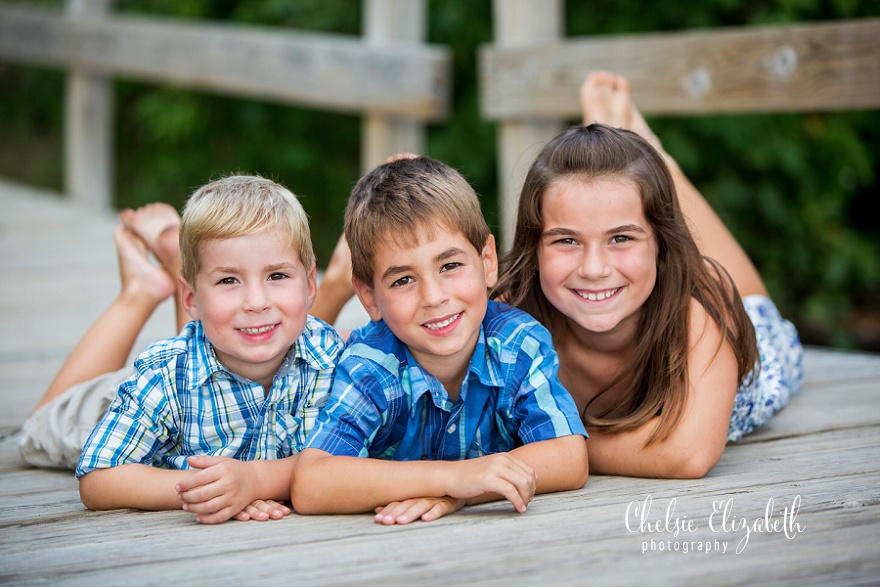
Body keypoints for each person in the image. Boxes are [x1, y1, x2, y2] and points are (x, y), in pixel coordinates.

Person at [491, 71, 804, 478]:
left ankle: (656, 156)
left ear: (662, 245)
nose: (594, 268)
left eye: (620, 238)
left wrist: (563, 447)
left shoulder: (700, 311)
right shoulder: (509, 313)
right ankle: (638, 158)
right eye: (566, 241)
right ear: (533, 247)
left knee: (746, 298)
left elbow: (687, 455)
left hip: (760, 345)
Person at [290, 156, 589, 525]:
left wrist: (464, 494)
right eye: (403, 280)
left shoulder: (518, 345)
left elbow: (569, 456)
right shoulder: (371, 366)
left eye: (450, 266)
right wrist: (451, 479)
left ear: (488, 261)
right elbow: (312, 481)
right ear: (369, 298)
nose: (433, 296)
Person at [68, 175, 344, 524]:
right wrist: (211, 489)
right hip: (90, 413)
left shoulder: (331, 358)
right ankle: (139, 290)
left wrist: (251, 483)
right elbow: (97, 479)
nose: (256, 302)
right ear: (190, 298)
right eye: (228, 280)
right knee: (36, 430)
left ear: (308, 285)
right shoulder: (161, 374)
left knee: (219, 331)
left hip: (206, 346)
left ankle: (173, 260)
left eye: (276, 276)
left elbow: (355, 455)